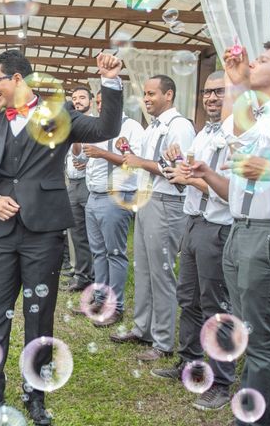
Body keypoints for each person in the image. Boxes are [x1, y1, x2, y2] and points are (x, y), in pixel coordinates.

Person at [0, 50, 123, 425]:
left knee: (40, 315)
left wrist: (110, 81)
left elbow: (106, 128)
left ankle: (35, 394)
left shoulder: (60, 114)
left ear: (17, 79)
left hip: (45, 232)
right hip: (1, 234)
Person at [194, 42, 270, 425]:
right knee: (250, 330)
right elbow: (242, 151)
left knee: (264, 338)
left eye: (262, 60)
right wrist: (240, 85)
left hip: (267, 234)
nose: (252, 62)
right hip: (241, 229)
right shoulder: (263, 114)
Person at [150, 71, 235, 411]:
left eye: (219, 92)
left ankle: (222, 381)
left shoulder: (237, 135)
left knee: (216, 307)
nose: (211, 98)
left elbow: (232, 193)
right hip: (193, 221)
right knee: (189, 298)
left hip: (217, 228)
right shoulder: (202, 133)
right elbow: (190, 179)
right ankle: (188, 362)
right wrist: (177, 166)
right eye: (206, 92)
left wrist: (192, 178)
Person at [110, 75, 196, 361]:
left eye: (151, 94)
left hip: (167, 204)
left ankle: (162, 342)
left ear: (168, 95)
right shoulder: (152, 128)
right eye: (144, 95)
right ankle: (142, 328)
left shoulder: (179, 126)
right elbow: (144, 164)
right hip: (147, 200)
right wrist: (128, 152)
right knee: (144, 268)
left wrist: (139, 162)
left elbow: (178, 172)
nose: (146, 99)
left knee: (161, 273)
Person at [79, 93, 144, 326]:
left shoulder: (132, 127)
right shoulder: (95, 128)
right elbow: (89, 160)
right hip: (93, 196)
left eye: (103, 102)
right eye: (97, 102)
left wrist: (103, 153)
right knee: (98, 251)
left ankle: (115, 307)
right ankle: (99, 299)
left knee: (115, 253)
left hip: (115, 197)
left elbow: (136, 161)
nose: (99, 105)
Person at [64, 87, 95, 292]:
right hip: (71, 183)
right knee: (76, 233)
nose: (78, 101)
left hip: (89, 184)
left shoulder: (96, 125)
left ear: (91, 101)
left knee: (94, 234)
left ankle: (96, 276)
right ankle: (82, 275)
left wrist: (90, 162)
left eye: (82, 97)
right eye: (74, 98)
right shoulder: (69, 125)